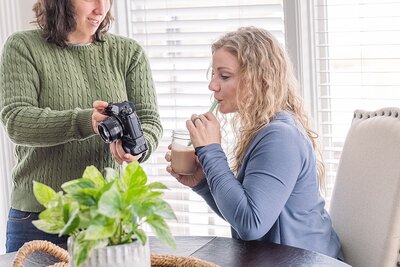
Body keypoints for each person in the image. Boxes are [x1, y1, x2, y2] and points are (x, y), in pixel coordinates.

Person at [165, 26, 343, 259]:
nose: (213, 86)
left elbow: (251, 224)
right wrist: (203, 183)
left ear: (257, 79)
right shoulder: (264, 129)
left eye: (224, 76)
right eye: (213, 75)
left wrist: (211, 152)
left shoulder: (280, 136)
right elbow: (243, 214)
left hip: (306, 261)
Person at [0, 0, 162, 252]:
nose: (101, 8)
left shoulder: (129, 52)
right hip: (39, 218)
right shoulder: (23, 47)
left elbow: (149, 121)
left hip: (110, 217)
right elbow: (17, 120)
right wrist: (85, 121)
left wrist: (137, 147)